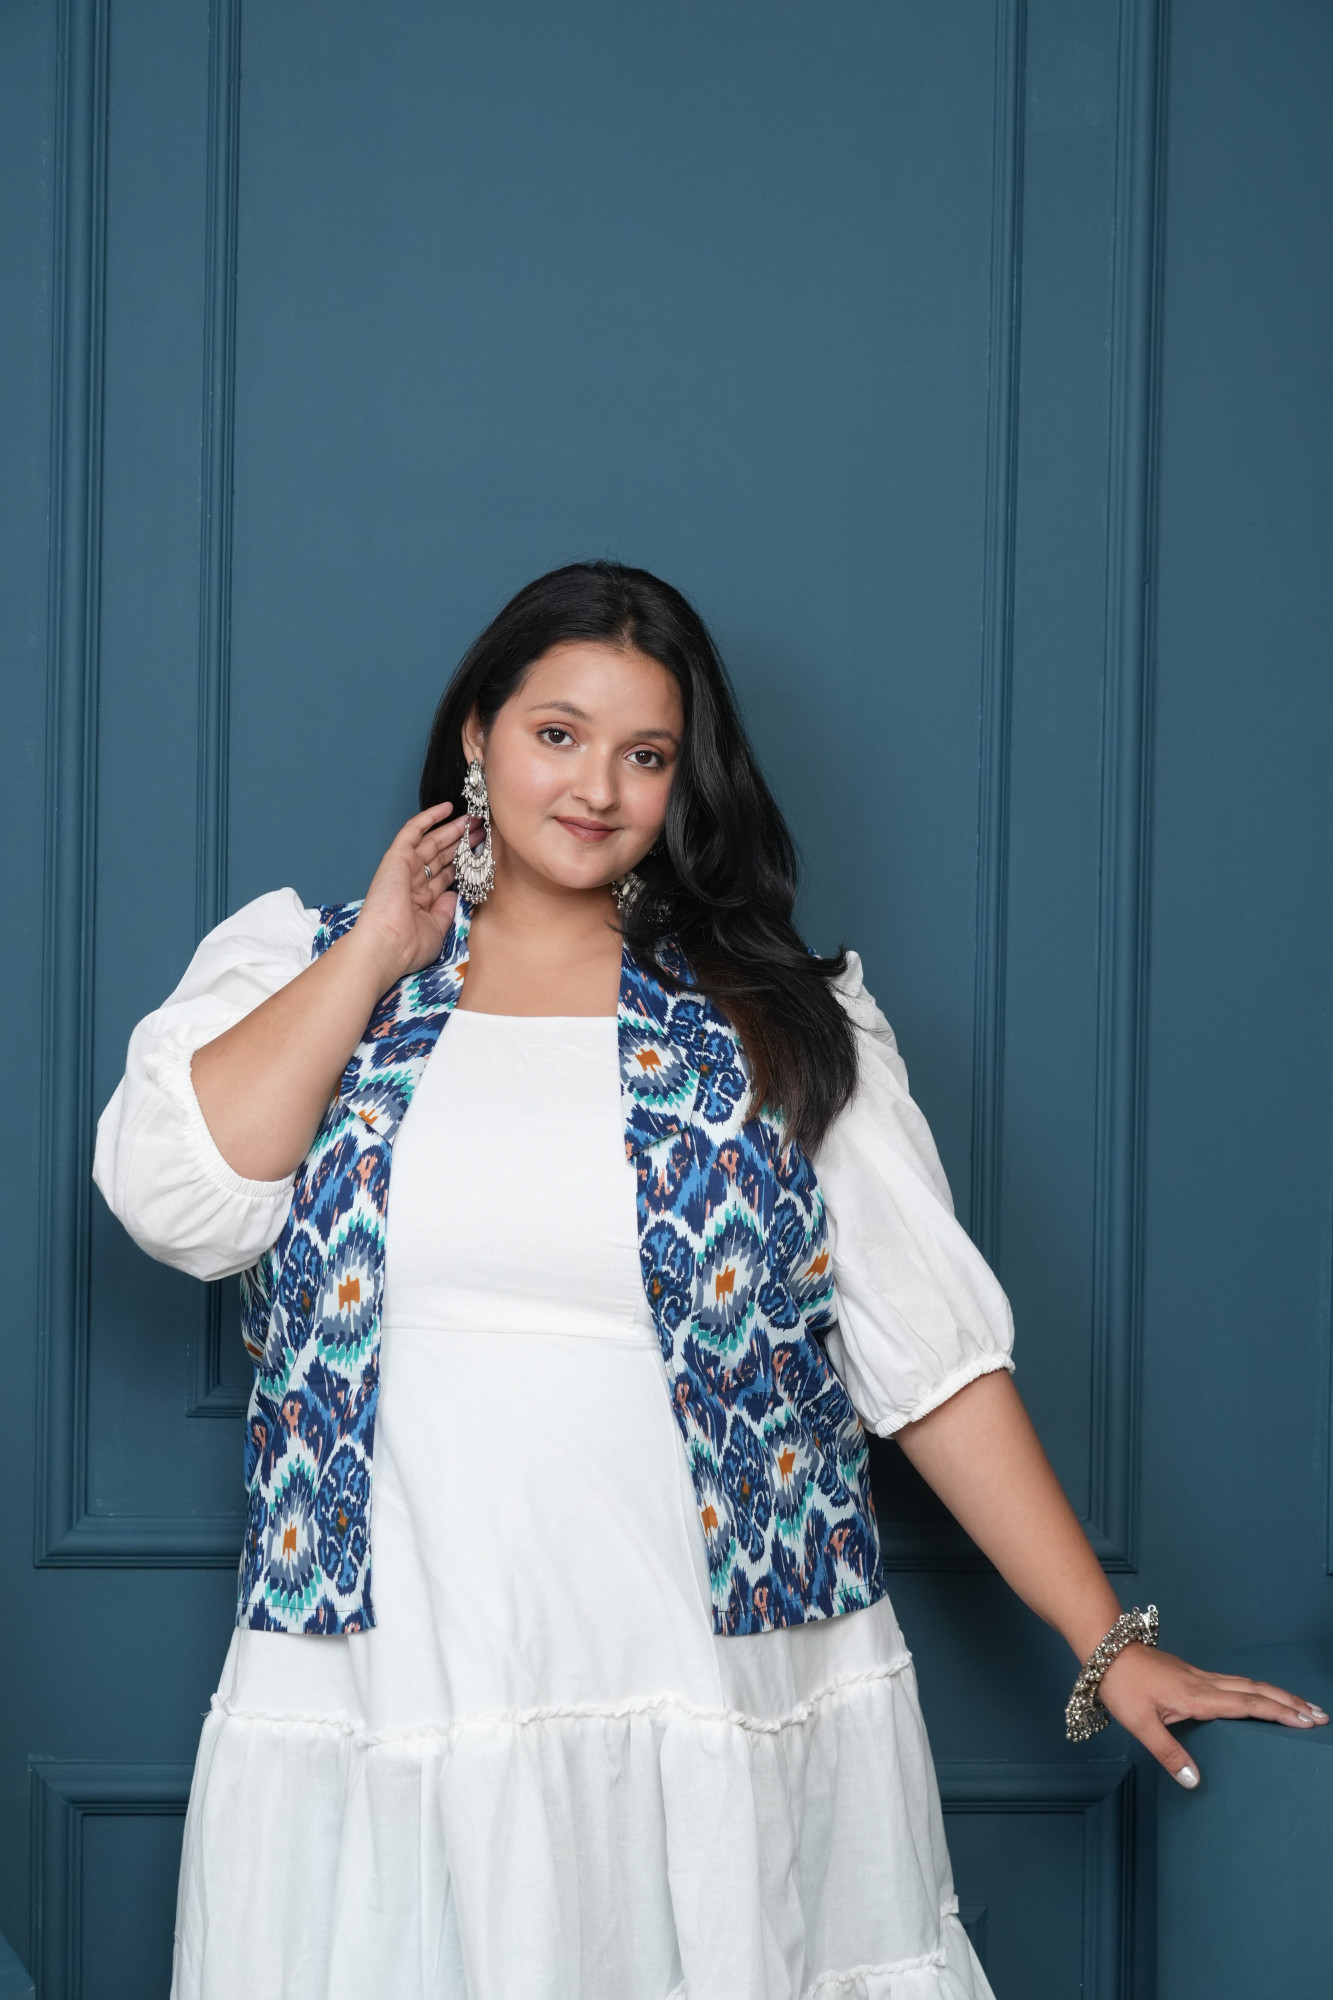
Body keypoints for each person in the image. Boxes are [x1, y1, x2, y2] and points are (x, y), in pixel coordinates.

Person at [94, 562, 1325, 2000]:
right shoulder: (299, 966)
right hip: (396, 1662)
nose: (597, 787)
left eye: (646, 754)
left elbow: (925, 1360)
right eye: (556, 734)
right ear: (477, 736)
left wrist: (1105, 1642)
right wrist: (380, 947)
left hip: (715, 1669)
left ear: (685, 783)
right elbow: (182, 1201)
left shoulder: (778, 1012)